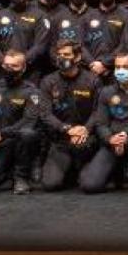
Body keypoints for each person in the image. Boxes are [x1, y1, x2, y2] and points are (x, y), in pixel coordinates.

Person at [79, 51, 128, 193]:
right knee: (90, 186)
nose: (121, 71)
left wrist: (125, 133)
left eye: (126, 67)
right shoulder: (106, 92)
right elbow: (101, 124)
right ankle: (113, 171)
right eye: (118, 67)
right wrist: (110, 139)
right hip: (112, 142)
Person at [0, 50, 42, 195]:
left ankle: (21, 177)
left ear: (23, 68)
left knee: (28, 133)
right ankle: (7, 174)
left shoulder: (31, 92)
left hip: (19, 141)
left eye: (14, 66)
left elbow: (29, 121)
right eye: (6, 65)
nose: (9, 69)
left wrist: (2, 134)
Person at [36, 41, 103, 192]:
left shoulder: (93, 80)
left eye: (66, 55)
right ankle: (69, 170)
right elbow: (45, 114)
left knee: (89, 185)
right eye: (59, 55)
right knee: (50, 184)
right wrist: (67, 129)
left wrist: (85, 129)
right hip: (61, 140)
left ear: (77, 57)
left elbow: (98, 111)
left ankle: (80, 168)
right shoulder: (48, 81)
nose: (61, 58)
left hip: (86, 140)